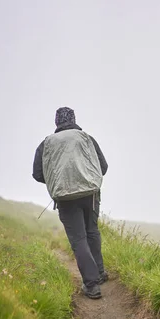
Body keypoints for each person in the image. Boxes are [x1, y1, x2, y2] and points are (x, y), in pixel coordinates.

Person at [32, 107, 108, 299]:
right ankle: (99, 273)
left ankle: (91, 285)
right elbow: (103, 167)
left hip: (65, 197)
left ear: (56, 122)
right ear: (74, 119)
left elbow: (38, 174)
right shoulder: (86, 138)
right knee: (92, 231)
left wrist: (58, 180)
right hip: (90, 193)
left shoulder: (46, 143)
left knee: (79, 239)